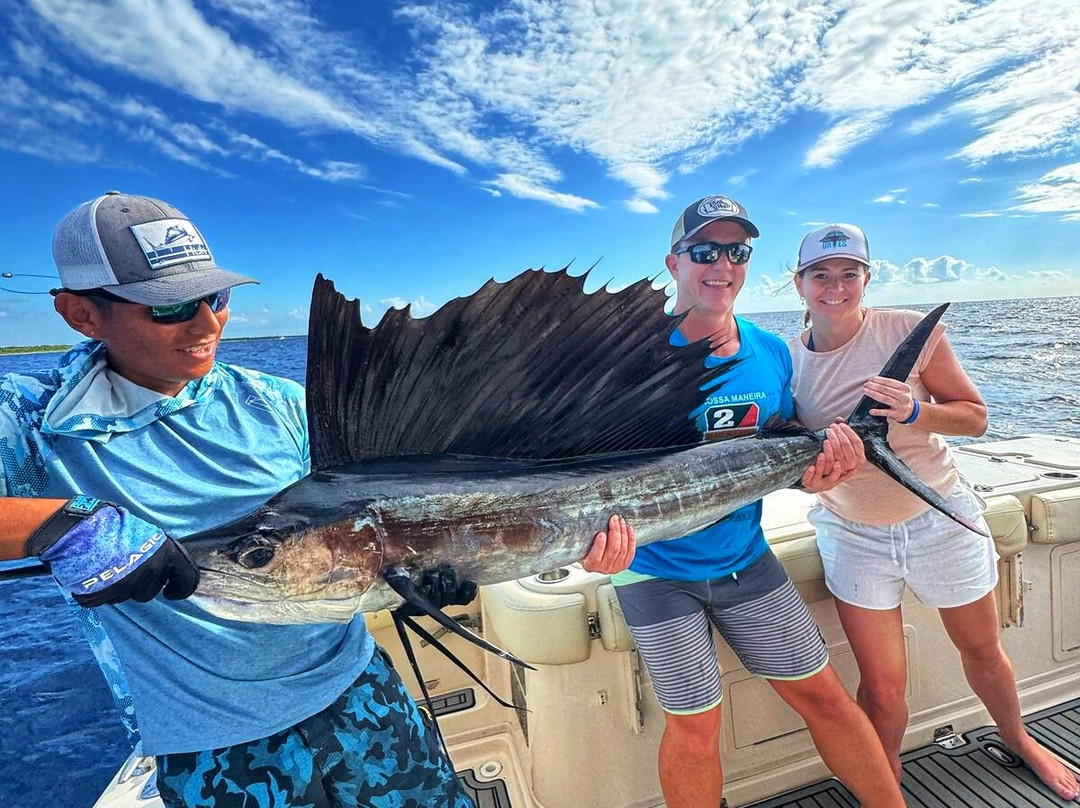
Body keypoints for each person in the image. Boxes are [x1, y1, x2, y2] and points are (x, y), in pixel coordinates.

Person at [0, 191, 636, 808]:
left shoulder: (275, 403)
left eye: (215, 298)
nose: (207, 325)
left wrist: (432, 573)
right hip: (216, 746)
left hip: (360, 692)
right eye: (169, 308)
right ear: (81, 314)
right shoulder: (32, 421)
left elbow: (362, 523)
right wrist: (62, 525)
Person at [610, 196, 905, 808]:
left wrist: (815, 475)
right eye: (704, 251)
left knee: (825, 697)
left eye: (737, 251)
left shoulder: (770, 352)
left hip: (746, 558)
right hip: (652, 570)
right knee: (696, 726)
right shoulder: (628, 361)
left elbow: (783, 449)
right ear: (674, 262)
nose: (722, 265)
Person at [788, 222, 1080, 801]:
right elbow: (797, 460)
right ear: (799, 283)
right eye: (820, 275)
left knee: (982, 651)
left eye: (849, 274)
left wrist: (914, 412)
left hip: (939, 516)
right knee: (883, 684)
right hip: (853, 531)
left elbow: (974, 417)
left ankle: (1019, 738)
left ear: (867, 278)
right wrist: (813, 478)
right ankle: (886, 780)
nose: (835, 286)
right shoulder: (787, 359)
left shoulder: (908, 331)